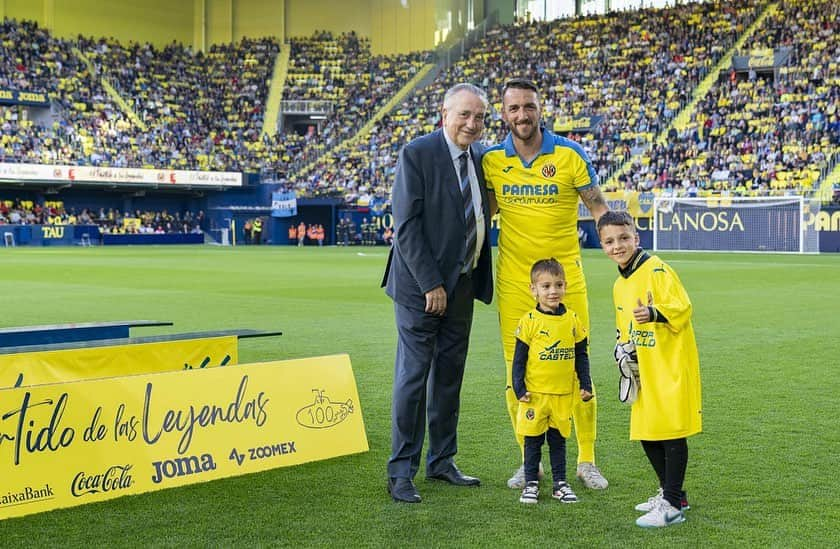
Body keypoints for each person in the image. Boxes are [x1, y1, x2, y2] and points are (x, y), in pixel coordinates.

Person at [482, 78, 610, 490]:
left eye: (529, 107)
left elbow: (597, 205)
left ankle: (587, 461)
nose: (522, 115)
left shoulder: (570, 155)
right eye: (514, 108)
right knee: (517, 373)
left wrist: (617, 243)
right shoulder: (491, 162)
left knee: (577, 370)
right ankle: (529, 460)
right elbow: (482, 216)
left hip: (566, 283)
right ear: (504, 114)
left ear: (541, 110)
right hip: (516, 285)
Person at [381, 82, 493, 503]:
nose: (472, 123)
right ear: (444, 114)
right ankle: (400, 471)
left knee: (449, 378)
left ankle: (442, 460)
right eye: (464, 114)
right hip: (421, 289)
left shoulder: (482, 157)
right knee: (413, 378)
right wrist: (431, 283)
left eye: (479, 116)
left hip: (463, 284)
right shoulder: (417, 153)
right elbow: (405, 227)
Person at [596, 211, 702, 528]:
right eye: (610, 241)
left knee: (670, 431)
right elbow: (624, 328)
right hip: (645, 368)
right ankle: (673, 494)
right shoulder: (619, 283)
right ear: (601, 245)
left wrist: (654, 312)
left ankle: (671, 504)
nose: (618, 246)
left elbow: (682, 307)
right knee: (647, 430)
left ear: (636, 238)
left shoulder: (657, 269)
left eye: (624, 238)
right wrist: (623, 351)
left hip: (670, 362)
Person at [513, 258, 592, 505]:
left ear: (565, 286)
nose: (553, 291)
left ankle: (560, 483)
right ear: (533, 289)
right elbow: (518, 359)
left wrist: (585, 384)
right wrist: (519, 387)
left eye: (558, 285)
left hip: (562, 395)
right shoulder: (529, 321)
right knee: (533, 441)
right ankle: (531, 483)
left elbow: (581, 354)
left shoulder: (572, 320)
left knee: (558, 441)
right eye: (546, 286)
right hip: (535, 395)